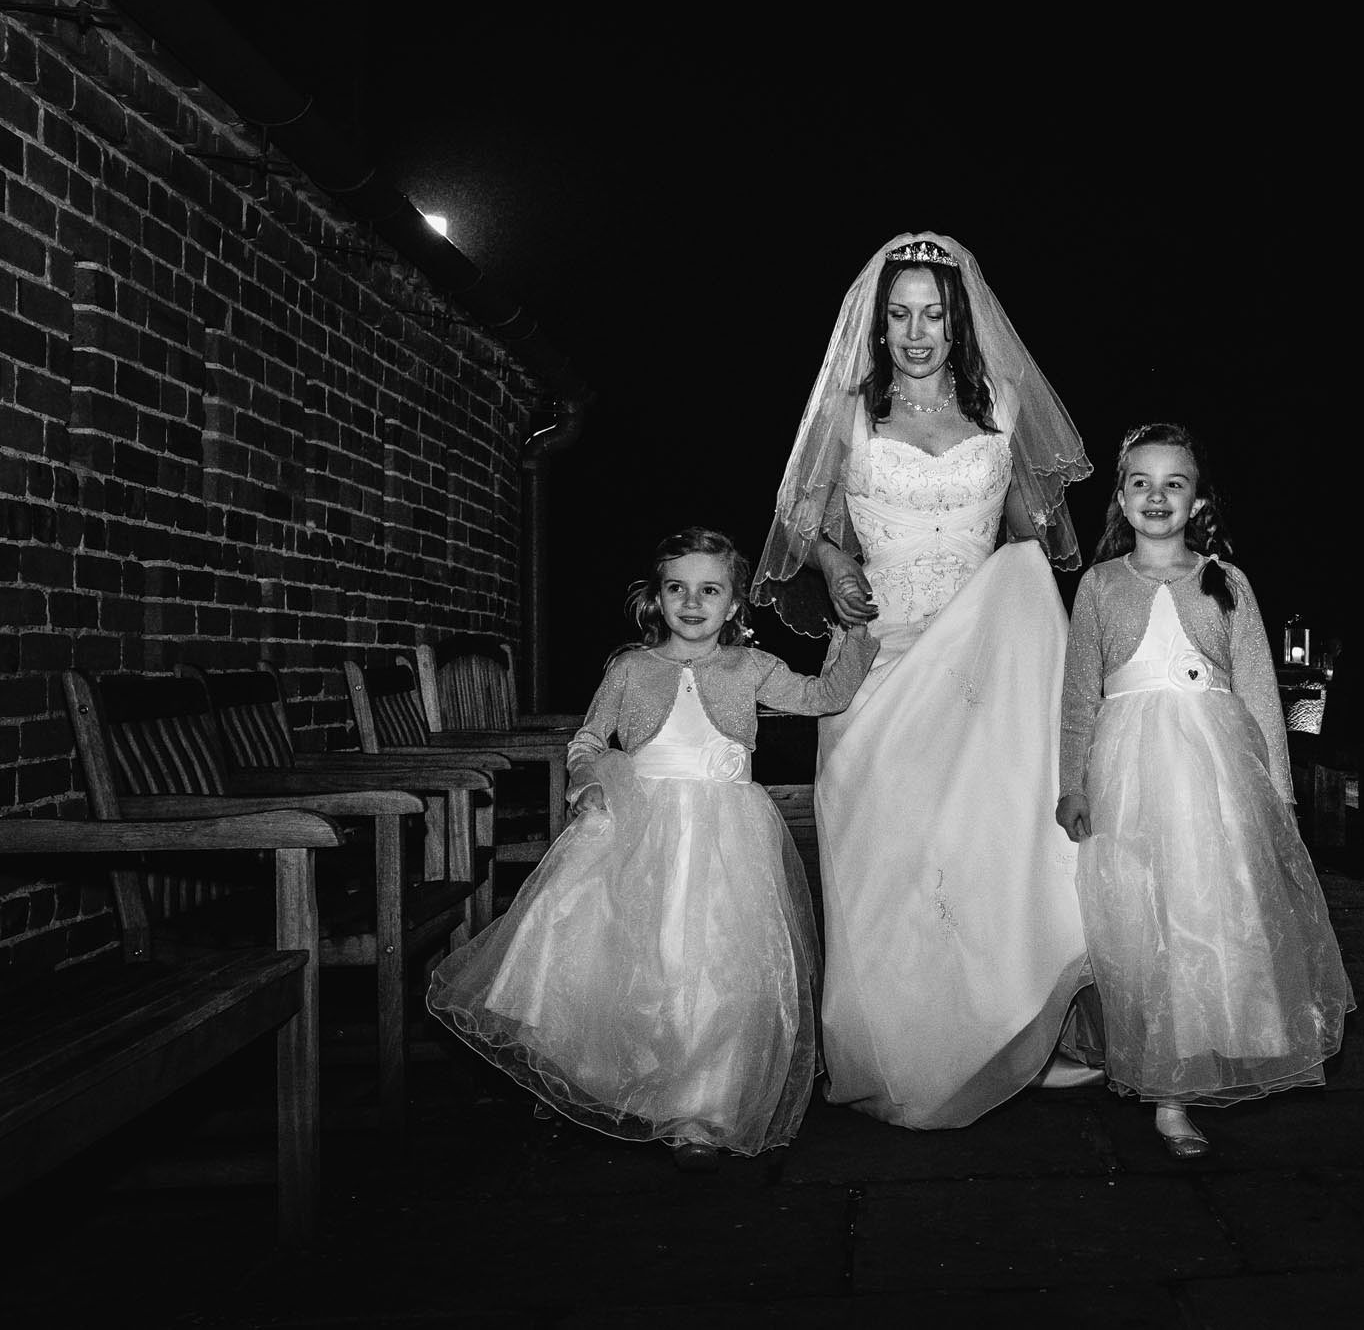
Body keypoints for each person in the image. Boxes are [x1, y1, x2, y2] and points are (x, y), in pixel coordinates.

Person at [752, 232, 1096, 1130]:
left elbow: (1027, 539)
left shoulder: (1002, 410)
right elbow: (806, 521)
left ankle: (1013, 1037)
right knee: (892, 862)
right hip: (881, 660)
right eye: (899, 314)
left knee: (989, 853)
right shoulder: (849, 415)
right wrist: (833, 566)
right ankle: (896, 1048)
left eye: (932, 314)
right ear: (877, 324)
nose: (915, 332)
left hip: (981, 666)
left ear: (960, 322)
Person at [428, 529, 878, 1166]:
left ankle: (706, 1107)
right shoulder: (630, 670)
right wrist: (587, 782)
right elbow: (587, 738)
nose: (692, 603)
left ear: (733, 605)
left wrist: (852, 635)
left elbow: (825, 696)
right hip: (642, 829)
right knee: (641, 958)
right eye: (677, 589)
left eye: (710, 590)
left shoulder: (752, 668)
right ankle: (631, 1087)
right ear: (657, 599)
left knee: (723, 961)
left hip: (728, 834)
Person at [1056, 423, 1354, 1159]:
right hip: (1130, 770)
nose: (1157, 497)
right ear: (1120, 498)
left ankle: (1180, 1089)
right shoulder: (1099, 586)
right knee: (1144, 919)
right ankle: (1160, 1074)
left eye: (1174, 484)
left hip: (1215, 771)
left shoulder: (1227, 580)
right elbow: (1077, 697)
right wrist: (1072, 782)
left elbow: (1255, 689)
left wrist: (1278, 793)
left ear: (1197, 500)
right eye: (1141, 483)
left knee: (1209, 910)